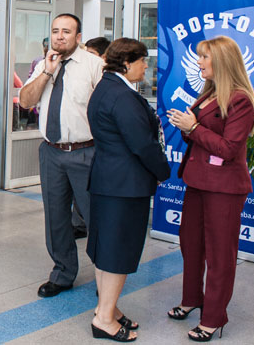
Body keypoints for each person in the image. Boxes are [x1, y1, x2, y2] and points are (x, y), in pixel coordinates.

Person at [166, 36, 254, 342]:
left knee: (220, 254)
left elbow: (230, 148)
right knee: (190, 243)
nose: (199, 62)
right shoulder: (208, 93)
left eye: (205, 57)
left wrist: (193, 128)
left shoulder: (241, 100)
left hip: (225, 187)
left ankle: (214, 317)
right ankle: (192, 298)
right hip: (197, 180)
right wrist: (188, 126)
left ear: (221, 60)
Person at [86, 38, 171, 342]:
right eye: (143, 61)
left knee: (106, 249)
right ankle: (104, 319)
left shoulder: (105, 88)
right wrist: (163, 171)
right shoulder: (122, 96)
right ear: (127, 63)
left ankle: (107, 309)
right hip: (124, 186)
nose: (147, 66)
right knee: (117, 252)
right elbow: (142, 145)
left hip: (107, 181)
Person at [19, 14, 103, 297]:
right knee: (56, 217)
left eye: (66, 31)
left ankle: (105, 278)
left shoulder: (95, 66)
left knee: (96, 218)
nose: (59, 36)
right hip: (51, 153)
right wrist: (46, 73)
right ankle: (63, 273)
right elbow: (26, 101)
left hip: (86, 152)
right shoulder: (45, 64)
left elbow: (106, 111)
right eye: (55, 31)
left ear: (78, 37)